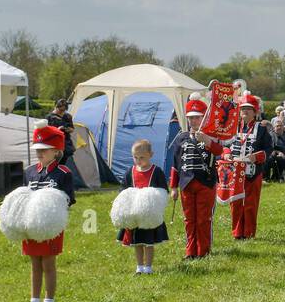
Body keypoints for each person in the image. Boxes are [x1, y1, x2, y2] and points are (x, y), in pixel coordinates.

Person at [21, 125, 76, 302]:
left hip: (51, 227)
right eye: (37, 149)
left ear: (56, 151)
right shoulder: (29, 172)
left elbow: (68, 200)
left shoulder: (64, 172)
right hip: (30, 226)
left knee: (48, 264)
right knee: (35, 263)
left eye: (44, 149)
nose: (39, 152)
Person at [215, 94, 272, 240]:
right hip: (234, 173)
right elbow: (224, 145)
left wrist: (256, 157)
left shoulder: (262, 129)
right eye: (243, 109)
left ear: (255, 112)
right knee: (235, 203)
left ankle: (249, 233)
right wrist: (226, 153)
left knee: (251, 204)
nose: (245, 112)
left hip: (253, 172)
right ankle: (237, 233)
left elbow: (268, 149)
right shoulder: (231, 128)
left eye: (248, 109)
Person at [170, 98, 217, 258]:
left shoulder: (210, 136)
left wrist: (208, 140)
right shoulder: (181, 138)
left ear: (203, 118)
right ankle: (190, 251)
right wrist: (173, 187)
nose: (194, 120)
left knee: (203, 219)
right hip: (186, 184)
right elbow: (175, 165)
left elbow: (220, 152)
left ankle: (203, 251)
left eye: (197, 117)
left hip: (206, 183)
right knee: (189, 219)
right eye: (191, 117)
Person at [117, 139, 170, 273]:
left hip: (149, 215)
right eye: (135, 157)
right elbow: (123, 191)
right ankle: (139, 266)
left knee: (148, 242)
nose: (138, 160)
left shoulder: (156, 171)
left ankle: (148, 267)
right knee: (137, 242)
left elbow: (164, 190)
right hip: (134, 215)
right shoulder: (130, 172)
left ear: (150, 155)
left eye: (142, 157)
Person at [46, 98, 77, 185]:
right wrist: (57, 130)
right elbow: (46, 130)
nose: (62, 112)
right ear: (56, 107)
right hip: (53, 144)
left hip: (65, 143)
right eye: (60, 109)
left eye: (64, 109)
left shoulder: (67, 116)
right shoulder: (49, 117)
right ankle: (51, 180)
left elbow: (72, 129)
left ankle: (60, 181)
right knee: (52, 163)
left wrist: (66, 129)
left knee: (62, 164)